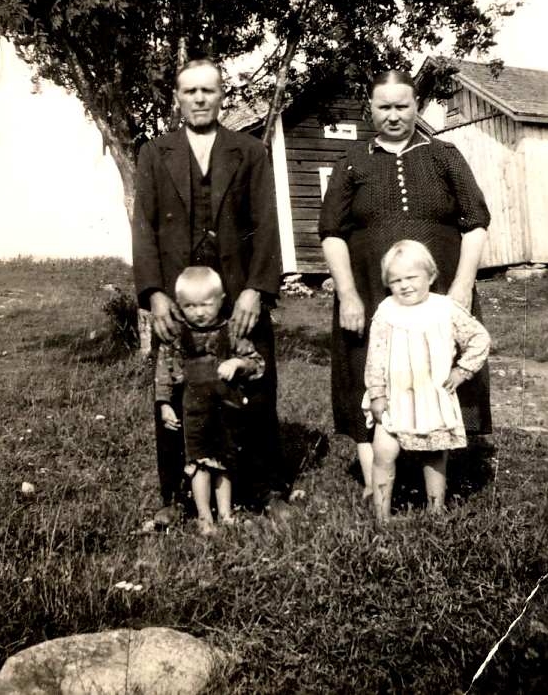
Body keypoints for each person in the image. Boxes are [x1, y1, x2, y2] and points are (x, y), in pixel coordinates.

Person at [319, 69, 492, 499]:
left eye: (402, 106)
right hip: (371, 291)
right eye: (384, 107)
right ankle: (374, 481)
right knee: (368, 370)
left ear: (416, 106)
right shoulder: (352, 162)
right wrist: (348, 295)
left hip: (440, 291)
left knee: (439, 369)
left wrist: (463, 286)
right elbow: (331, 232)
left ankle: (437, 472)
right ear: (370, 110)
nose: (393, 115)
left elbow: (476, 224)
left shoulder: (445, 155)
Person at [133, 58, 290, 526]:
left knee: (257, 390)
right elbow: (143, 229)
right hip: (182, 299)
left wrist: (256, 290)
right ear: (177, 98)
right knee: (179, 392)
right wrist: (155, 294)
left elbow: (266, 224)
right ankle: (175, 497)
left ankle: (266, 488)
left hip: (238, 294)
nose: (199, 99)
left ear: (223, 95)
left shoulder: (248, 150)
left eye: (208, 90)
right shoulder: (154, 153)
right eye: (189, 91)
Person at [362, 240, 490, 521]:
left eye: (411, 278)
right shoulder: (386, 313)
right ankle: (381, 518)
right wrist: (376, 394)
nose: (404, 286)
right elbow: (376, 357)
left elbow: (479, 339)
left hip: (432, 399)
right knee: (384, 453)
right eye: (395, 281)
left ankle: (435, 511)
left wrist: (462, 370)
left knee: (433, 456)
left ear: (430, 276)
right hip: (394, 398)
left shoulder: (446, 309)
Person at [155, 266, 265, 535]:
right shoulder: (177, 338)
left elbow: (258, 365)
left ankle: (226, 514)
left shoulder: (232, 333)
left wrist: (238, 363)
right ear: (180, 306)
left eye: (206, 304)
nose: (199, 312)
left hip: (226, 411)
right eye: (190, 306)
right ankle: (205, 517)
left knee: (224, 463)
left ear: (221, 300)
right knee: (200, 465)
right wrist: (165, 404)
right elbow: (164, 373)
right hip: (194, 413)